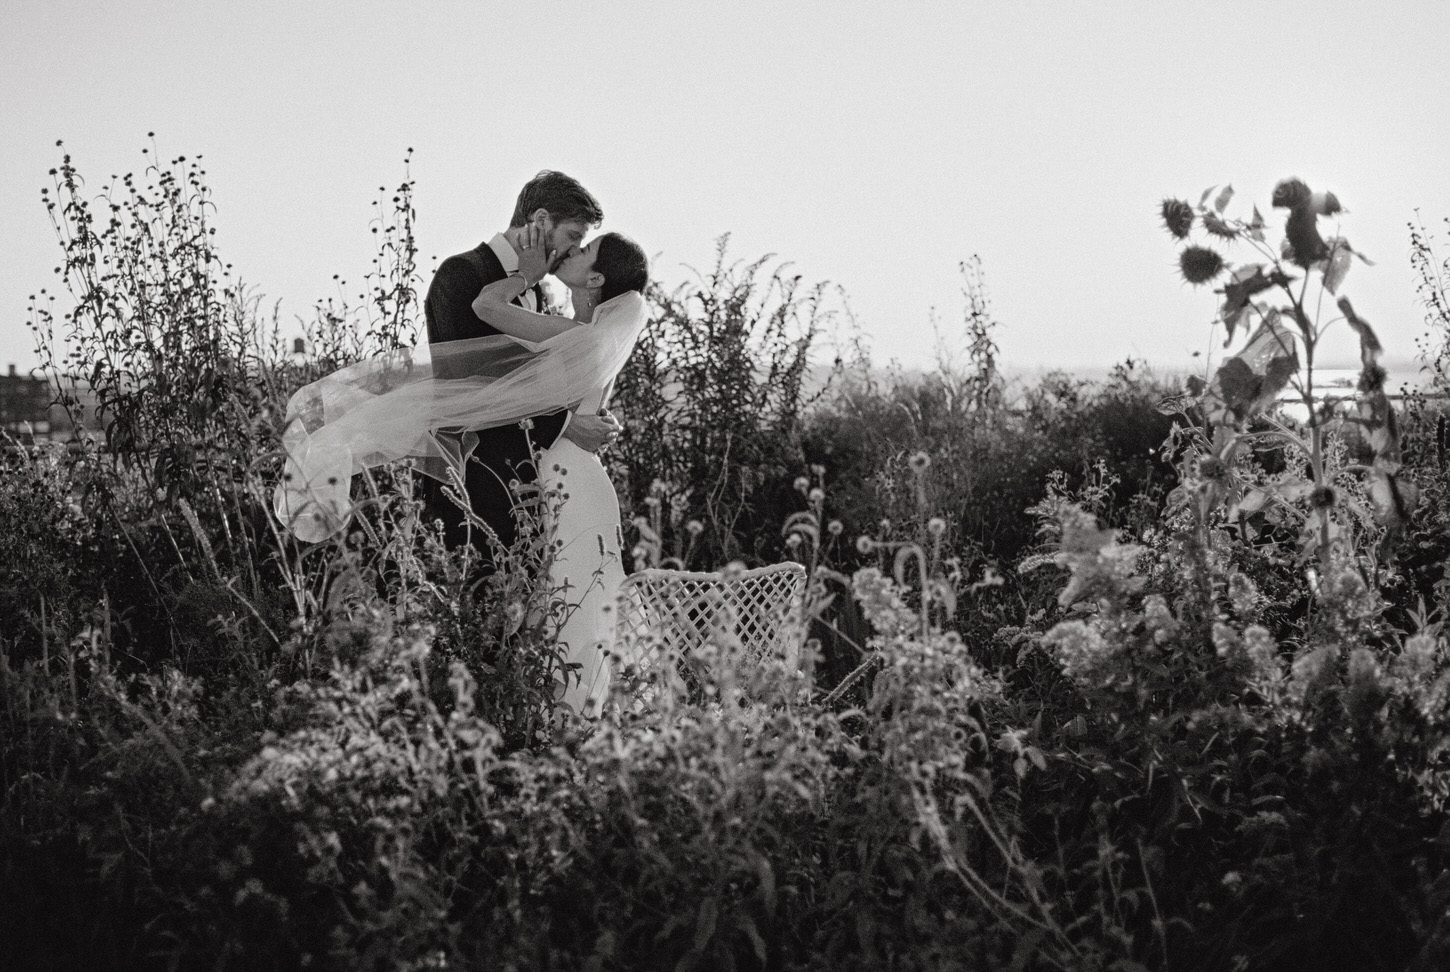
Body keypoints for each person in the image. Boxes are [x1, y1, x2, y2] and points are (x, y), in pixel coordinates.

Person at [471, 227, 650, 714]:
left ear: (595, 277)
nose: (572, 250)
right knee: (564, 597)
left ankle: (569, 721)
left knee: (573, 600)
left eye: (584, 250)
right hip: (570, 474)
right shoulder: (579, 329)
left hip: (568, 478)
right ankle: (564, 720)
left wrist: (524, 273)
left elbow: (486, 308)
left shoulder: (579, 336)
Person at [422, 170, 621, 562]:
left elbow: (541, 379)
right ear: (542, 220)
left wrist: (587, 410)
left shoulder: (538, 291)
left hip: (531, 488)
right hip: (474, 488)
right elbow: (474, 385)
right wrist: (566, 424)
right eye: (573, 237)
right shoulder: (461, 275)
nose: (572, 251)